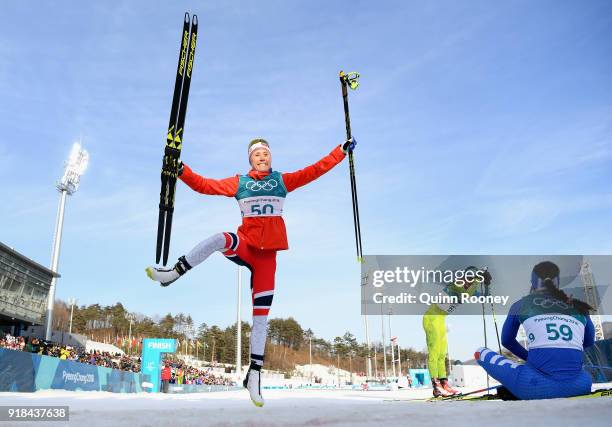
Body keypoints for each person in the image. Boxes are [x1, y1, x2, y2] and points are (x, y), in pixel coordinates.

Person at [146, 137, 355, 406]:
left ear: (270, 157)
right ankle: (174, 272)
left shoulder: (281, 181)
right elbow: (206, 185)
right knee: (220, 238)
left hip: (268, 258)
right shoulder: (241, 183)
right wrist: (182, 170)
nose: (262, 158)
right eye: (257, 154)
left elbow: (314, 170)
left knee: (261, 318)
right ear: (250, 159)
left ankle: (254, 375)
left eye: (265, 154)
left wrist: (339, 152)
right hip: (247, 245)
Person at [475, 261, 595, 400]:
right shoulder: (579, 306)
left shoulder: (520, 305)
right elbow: (588, 342)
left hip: (534, 385)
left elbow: (506, 340)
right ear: (557, 282)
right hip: (581, 385)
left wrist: (529, 358)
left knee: (480, 352)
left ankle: (518, 384)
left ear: (533, 282)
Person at [422, 266, 491, 397]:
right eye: (467, 277)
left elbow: (485, 297)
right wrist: (478, 277)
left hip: (441, 320)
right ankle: (436, 386)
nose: (467, 280)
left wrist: (487, 284)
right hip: (431, 318)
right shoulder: (456, 283)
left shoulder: (471, 289)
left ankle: (444, 384)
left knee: (442, 354)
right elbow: (462, 290)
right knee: (434, 353)